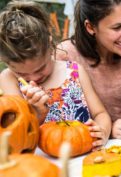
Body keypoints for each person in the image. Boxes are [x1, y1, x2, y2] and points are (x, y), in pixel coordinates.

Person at [0, 1, 111, 150]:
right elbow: (15, 134)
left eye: (41, 68)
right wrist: (36, 112)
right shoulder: (8, 79)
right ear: (5, 62)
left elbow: (100, 113)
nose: (33, 78)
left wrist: (102, 131)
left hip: (84, 154)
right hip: (41, 164)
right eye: (22, 73)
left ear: (50, 46)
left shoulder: (74, 71)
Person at [56, 0, 121, 139]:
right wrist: (107, 129)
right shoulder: (66, 55)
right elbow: (60, 123)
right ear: (90, 27)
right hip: (97, 148)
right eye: (117, 27)